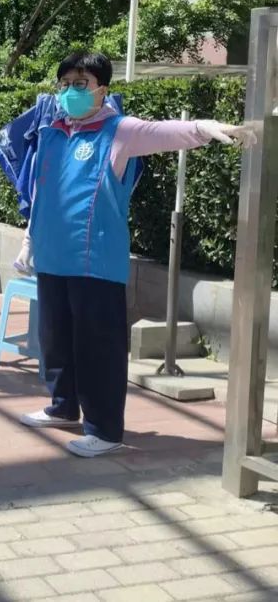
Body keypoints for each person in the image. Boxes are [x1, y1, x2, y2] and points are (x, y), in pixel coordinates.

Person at [15, 50, 255, 458]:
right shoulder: (52, 133)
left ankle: (104, 430)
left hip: (95, 261)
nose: (71, 91)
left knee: (97, 347)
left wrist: (205, 127)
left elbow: (164, 132)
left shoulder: (119, 131)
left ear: (101, 90)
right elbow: (41, 193)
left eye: (81, 84)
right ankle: (62, 406)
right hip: (53, 257)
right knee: (55, 339)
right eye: (65, 83)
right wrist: (29, 241)